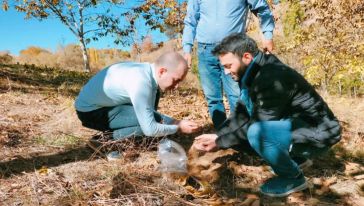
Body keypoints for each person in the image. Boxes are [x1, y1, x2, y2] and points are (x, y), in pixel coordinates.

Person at [192, 33, 341, 197]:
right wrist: (218, 136)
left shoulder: (272, 77)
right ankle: (297, 160)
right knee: (236, 137)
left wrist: (220, 142)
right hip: (296, 127)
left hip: (320, 133)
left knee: (256, 133)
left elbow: (258, 123)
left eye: (228, 66)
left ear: (246, 57)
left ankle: (293, 178)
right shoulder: (252, 73)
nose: (226, 72)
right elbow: (241, 115)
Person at [182, 0, 275, 128]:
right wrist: (187, 49)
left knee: (237, 95)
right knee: (212, 98)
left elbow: (262, 8)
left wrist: (268, 35)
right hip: (205, 50)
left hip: (232, 49)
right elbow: (190, 20)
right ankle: (223, 135)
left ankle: (242, 135)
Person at [75, 52, 200, 140]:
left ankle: (117, 132)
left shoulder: (147, 72)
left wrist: (174, 122)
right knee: (149, 126)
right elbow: (150, 129)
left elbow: (149, 112)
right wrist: (177, 127)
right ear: (162, 71)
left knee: (153, 115)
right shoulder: (141, 81)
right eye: (176, 80)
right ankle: (104, 140)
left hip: (106, 105)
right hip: (90, 112)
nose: (177, 86)